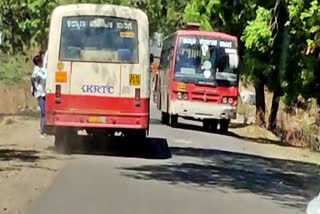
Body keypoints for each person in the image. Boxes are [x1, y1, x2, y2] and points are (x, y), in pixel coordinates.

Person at [31, 54, 47, 137]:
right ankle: (42, 130)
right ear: (39, 62)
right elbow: (45, 77)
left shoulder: (40, 69)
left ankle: (43, 128)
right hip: (40, 94)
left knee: (44, 112)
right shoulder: (36, 71)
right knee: (44, 112)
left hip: (43, 93)